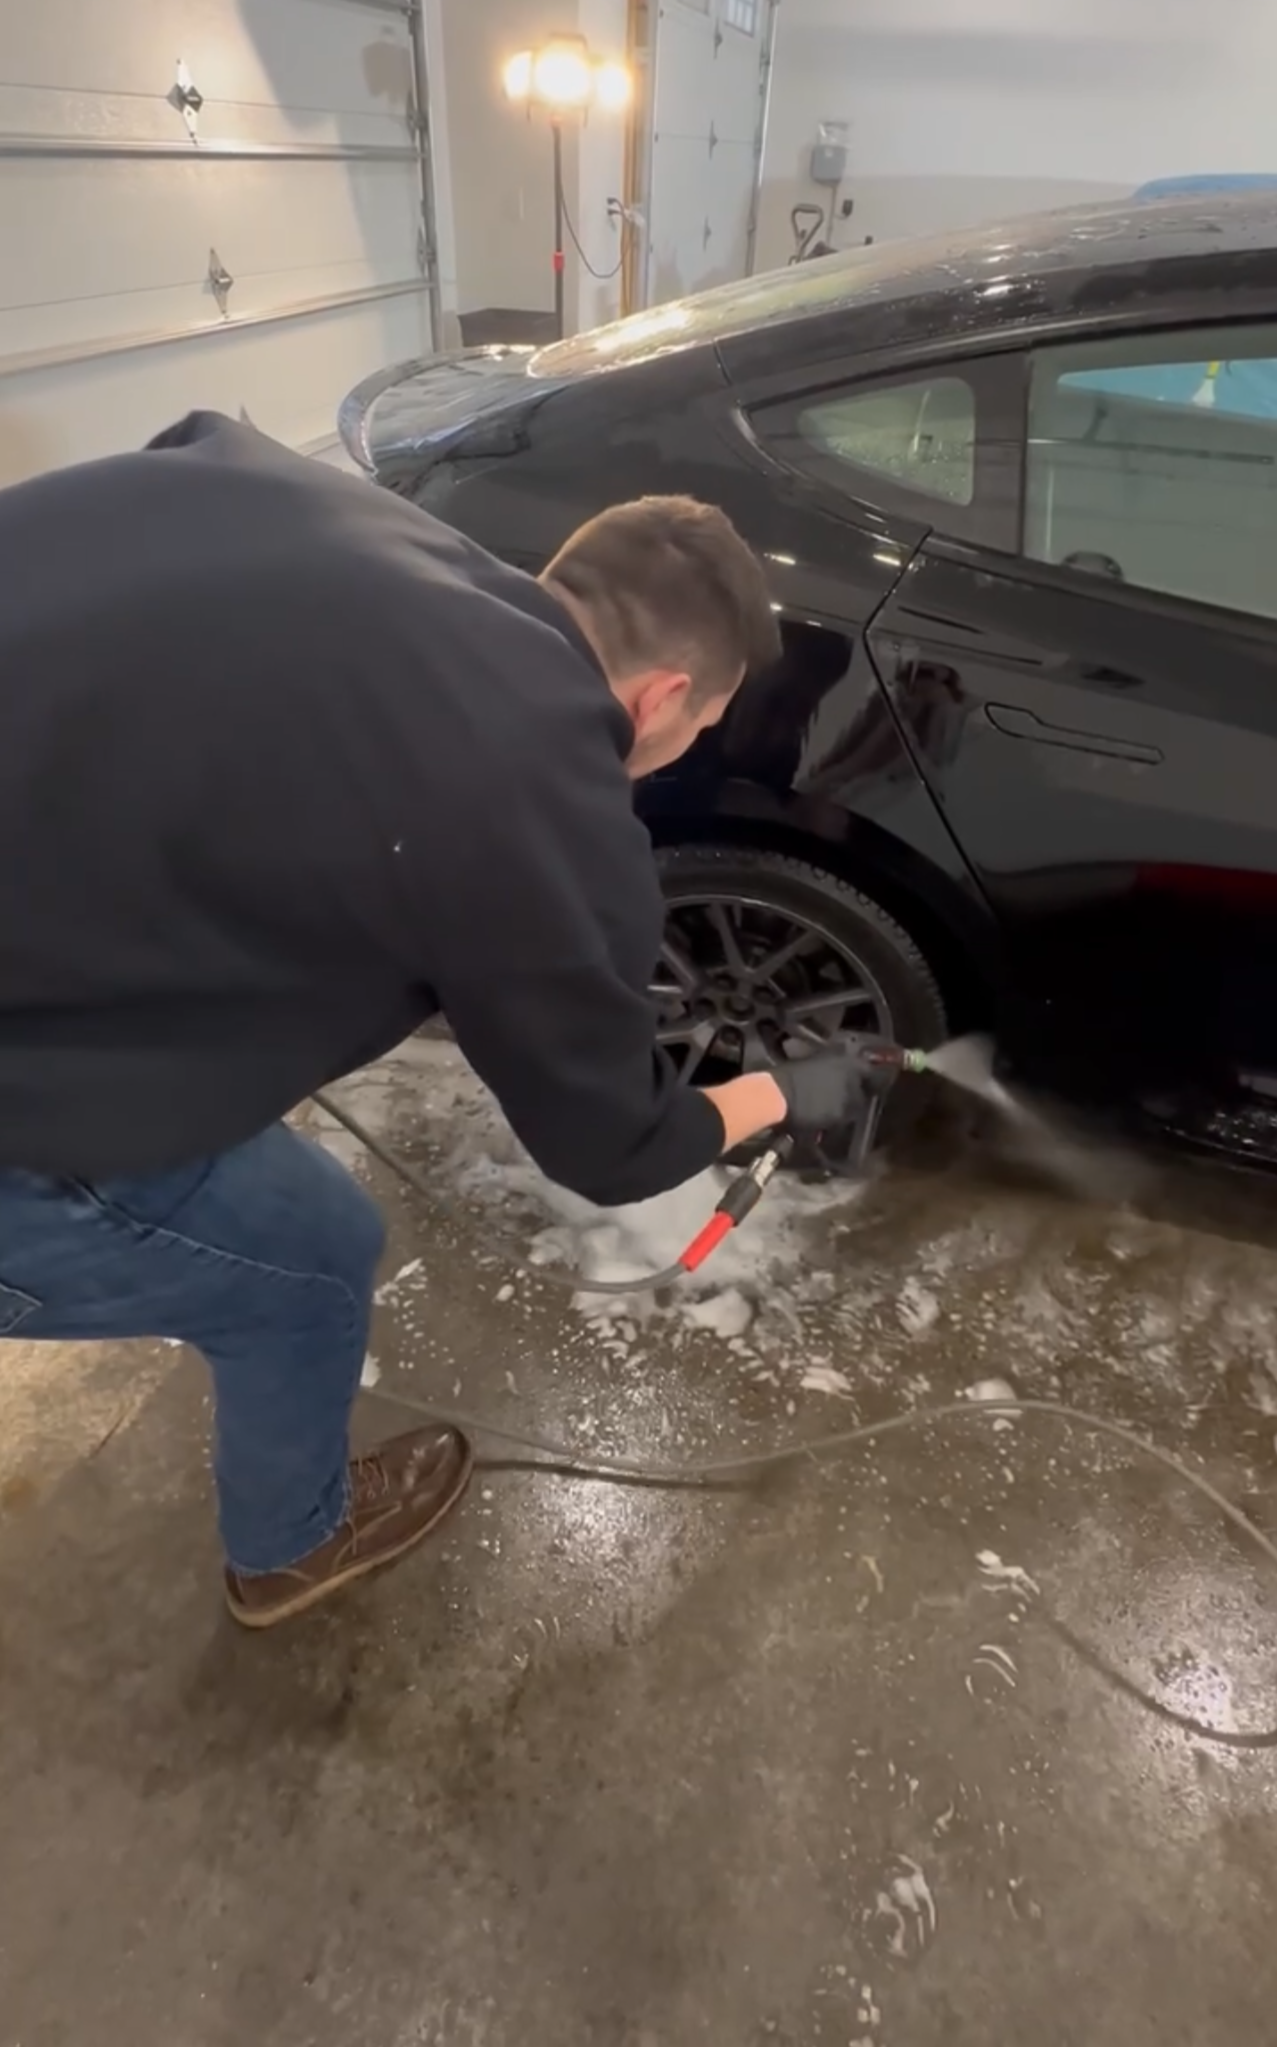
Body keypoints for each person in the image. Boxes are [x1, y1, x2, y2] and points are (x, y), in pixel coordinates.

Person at [0, 412, 859, 1629]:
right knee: (308, 1262)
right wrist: (793, 1092)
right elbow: (612, 1144)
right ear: (666, 695)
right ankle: (289, 1552)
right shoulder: (539, 794)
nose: (671, 752)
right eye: (692, 731)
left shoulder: (263, 475)